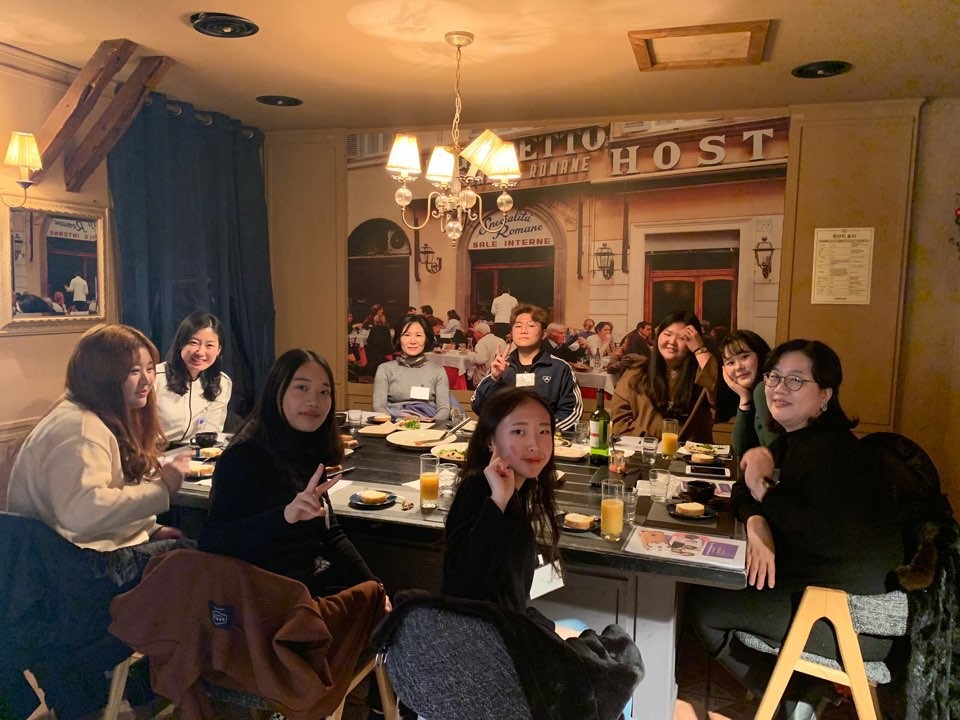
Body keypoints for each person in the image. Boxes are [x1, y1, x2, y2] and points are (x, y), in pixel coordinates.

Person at [686, 340, 903, 716]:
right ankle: (800, 693)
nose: (779, 388)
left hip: (853, 617)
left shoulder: (834, 453)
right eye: (774, 377)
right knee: (716, 587)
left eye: (796, 380)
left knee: (705, 605)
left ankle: (793, 699)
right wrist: (757, 523)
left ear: (825, 395)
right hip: (820, 588)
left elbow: (820, 536)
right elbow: (744, 485)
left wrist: (763, 490)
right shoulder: (796, 440)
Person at [199, 349, 382, 598]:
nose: (314, 401)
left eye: (324, 392)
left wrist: (375, 588)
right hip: (266, 597)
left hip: (307, 586)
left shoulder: (305, 444)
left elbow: (331, 532)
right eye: (301, 388)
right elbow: (213, 540)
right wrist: (285, 516)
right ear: (277, 390)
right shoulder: (247, 453)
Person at [7, 324, 190, 550]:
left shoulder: (93, 416)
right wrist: (162, 488)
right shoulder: (79, 428)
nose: (147, 380)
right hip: (70, 562)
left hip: (85, 551)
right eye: (134, 371)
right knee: (205, 557)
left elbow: (99, 507)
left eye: (150, 368)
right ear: (103, 377)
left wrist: (148, 530)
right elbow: (83, 513)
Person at [443, 388, 562, 632]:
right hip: (483, 640)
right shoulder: (478, 489)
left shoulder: (521, 488)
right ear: (491, 441)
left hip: (506, 629)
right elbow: (464, 589)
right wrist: (498, 501)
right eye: (519, 431)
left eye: (544, 432)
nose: (535, 445)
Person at [609, 310, 717, 441]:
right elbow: (619, 419)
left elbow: (718, 396)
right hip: (642, 449)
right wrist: (651, 444)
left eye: (682, 338)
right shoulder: (636, 372)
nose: (672, 341)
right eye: (667, 334)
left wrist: (700, 350)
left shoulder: (700, 376)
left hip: (689, 451)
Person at [471, 305, 582, 432]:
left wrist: (542, 432)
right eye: (518, 326)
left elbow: (572, 412)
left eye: (531, 326)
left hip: (544, 439)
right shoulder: (501, 366)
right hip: (506, 438)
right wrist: (494, 378)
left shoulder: (560, 369)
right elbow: (477, 406)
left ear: (544, 334)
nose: (523, 331)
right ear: (511, 333)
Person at [155, 311, 233, 444]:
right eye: (193, 342)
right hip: (155, 452)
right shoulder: (155, 378)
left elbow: (211, 432)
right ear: (181, 343)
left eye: (209, 345)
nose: (200, 352)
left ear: (219, 350)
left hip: (195, 452)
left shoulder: (221, 383)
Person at [372, 314, 451, 421]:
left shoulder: (437, 371)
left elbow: (444, 409)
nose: (412, 341)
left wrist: (430, 423)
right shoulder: (385, 369)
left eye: (418, 335)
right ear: (399, 338)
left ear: (426, 339)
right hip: (393, 425)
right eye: (407, 335)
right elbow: (378, 407)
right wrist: (399, 422)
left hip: (428, 426)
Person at [718, 329, 777, 457]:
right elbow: (741, 449)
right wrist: (744, 398)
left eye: (744, 357)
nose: (739, 367)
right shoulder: (752, 394)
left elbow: (774, 454)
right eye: (730, 362)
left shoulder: (765, 389)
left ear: (760, 355)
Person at [464, 321, 502, 388]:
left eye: (475, 333)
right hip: (500, 374)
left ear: (480, 333)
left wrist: (468, 353)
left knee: (464, 374)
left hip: (485, 376)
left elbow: (480, 359)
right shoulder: (501, 340)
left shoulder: (482, 342)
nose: (474, 336)